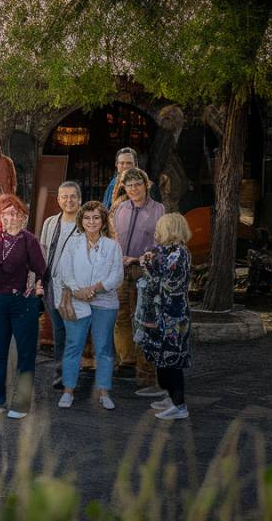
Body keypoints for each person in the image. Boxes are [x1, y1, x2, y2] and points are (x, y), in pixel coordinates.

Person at [0, 194, 46, 419]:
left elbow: (41, 271)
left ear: (23, 216)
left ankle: (21, 403)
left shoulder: (29, 240)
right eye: (7, 212)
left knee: (25, 354)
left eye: (16, 212)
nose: (12, 216)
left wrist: (35, 287)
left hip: (23, 303)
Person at [54, 201, 124, 410]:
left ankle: (103, 391)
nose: (91, 222)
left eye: (96, 217)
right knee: (74, 346)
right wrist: (78, 290)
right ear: (81, 221)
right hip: (77, 302)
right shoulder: (72, 244)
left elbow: (117, 276)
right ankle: (68, 391)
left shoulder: (112, 246)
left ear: (103, 221)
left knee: (103, 348)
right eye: (87, 218)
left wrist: (94, 288)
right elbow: (65, 272)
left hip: (105, 303)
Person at [111, 168, 165, 395]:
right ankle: (127, 361)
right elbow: (111, 237)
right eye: (129, 185)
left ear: (146, 184)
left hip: (144, 270)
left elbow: (161, 242)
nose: (133, 189)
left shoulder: (158, 210)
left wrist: (140, 257)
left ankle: (146, 372)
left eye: (137, 184)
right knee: (120, 315)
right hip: (120, 269)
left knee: (144, 320)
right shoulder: (119, 209)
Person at [137, 213, 193, 420]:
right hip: (166, 315)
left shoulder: (178, 253)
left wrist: (147, 266)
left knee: (172, 362)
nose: (156, 232)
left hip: (173, 318)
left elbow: (164, 283)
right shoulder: (170, 251)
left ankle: (180, 405)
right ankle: (171, 398)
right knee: (163, 360)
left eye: (160, 228)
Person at [40, 181, 82, 390]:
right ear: (58, 200)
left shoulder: (86, 223)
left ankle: (71, 374)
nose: (68, 200)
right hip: (51, 285)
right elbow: (42, 251)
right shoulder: (50, 223)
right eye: (64, 197)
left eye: (72, 196)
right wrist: (39, 279)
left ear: (79, 199)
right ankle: (61, 373)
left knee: (73, 331)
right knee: (59, 331)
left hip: (74, 288)